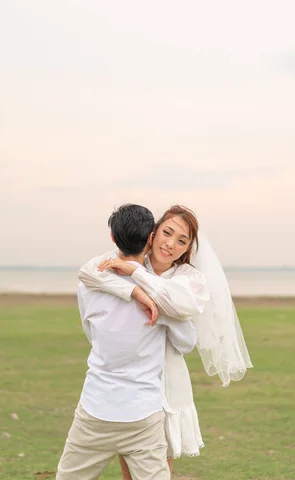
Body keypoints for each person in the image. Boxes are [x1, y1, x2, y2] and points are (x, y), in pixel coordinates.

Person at [79, 205, 252, 479]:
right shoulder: (131, 262)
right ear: (152, 234)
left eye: (181, 241)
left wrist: (136, 277)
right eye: (167, 233)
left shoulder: (189, 280)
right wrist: (134, 291)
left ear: (187, 249)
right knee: (129, 474)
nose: (171, 244)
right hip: (130, 389)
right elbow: (88, 272)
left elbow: (184, 338)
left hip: (168, 386)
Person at [56, 204, 197, 480]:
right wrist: (139, 293)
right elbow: (186, 342)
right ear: (150, 238)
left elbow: (90, 331)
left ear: (112, 238)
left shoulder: (91, 281)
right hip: (143, 413)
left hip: (95, 407)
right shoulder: (160, 293)